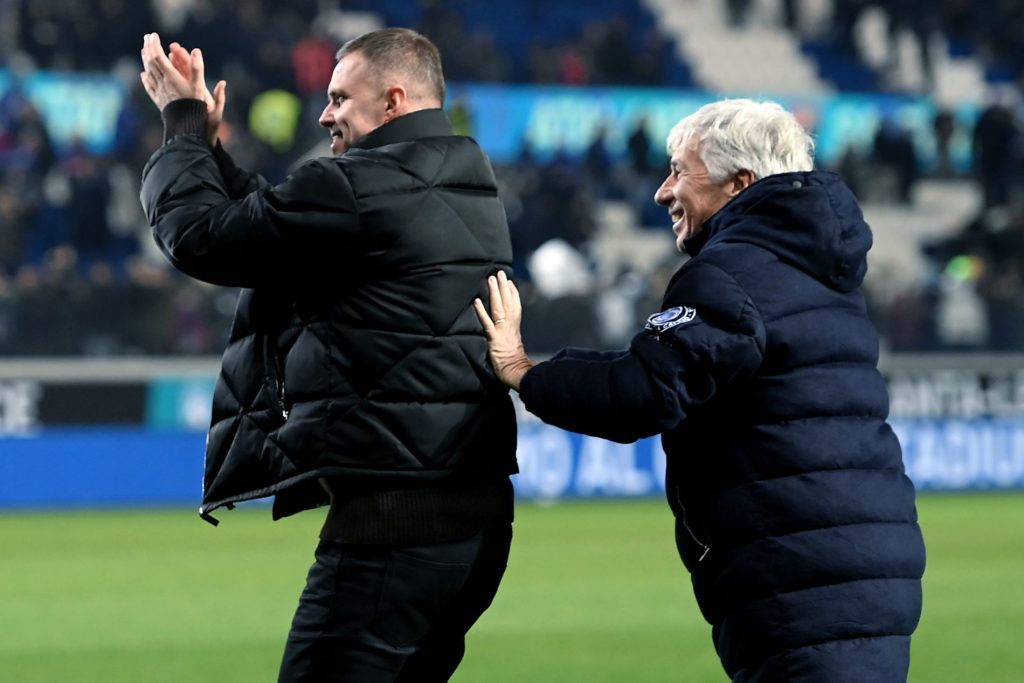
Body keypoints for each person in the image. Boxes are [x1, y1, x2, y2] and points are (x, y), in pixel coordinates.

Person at [475, 98, 926, 682]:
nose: (662, 192)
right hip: (865, 566)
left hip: (800, 576)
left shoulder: (733, 271)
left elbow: (643, 390)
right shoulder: (817, 269)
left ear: (739, 183)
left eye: (679, 172)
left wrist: (521, 370)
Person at [138, 27, 517, 682]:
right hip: (474, 524)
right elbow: (289, 224)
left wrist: (181, 128)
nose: (323, 113)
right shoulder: (463, 175)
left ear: (393, 100)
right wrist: (210, 152)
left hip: (393, 530)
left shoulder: (359, 187)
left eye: (340, 98)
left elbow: (201, 238)